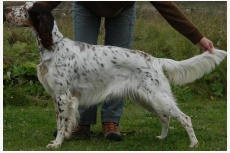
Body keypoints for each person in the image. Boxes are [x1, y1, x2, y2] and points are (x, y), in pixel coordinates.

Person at [31, 1, 214, 141]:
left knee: (122, 71)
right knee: (80, 67)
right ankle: (81, 124)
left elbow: (164, 4)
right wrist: (33, 9)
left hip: (122, 8)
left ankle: (111, 122)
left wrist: (198, 37)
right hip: (87, 5)